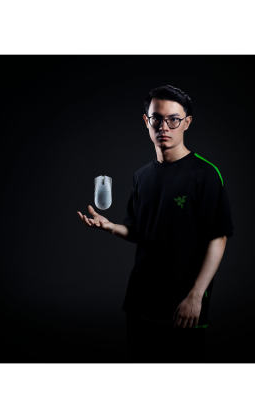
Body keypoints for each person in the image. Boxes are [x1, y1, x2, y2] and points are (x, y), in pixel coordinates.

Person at [77, 85, 234, 363]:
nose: (164, 126)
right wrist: (110, 226)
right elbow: (139, 232)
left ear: (187, 122)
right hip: (140, 302)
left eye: (173, 119)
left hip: (182, 305)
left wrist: (196, 296)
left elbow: (217, 238)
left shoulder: (205, 174)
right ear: (146, 121)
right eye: (156, 118)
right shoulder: (142, 176)